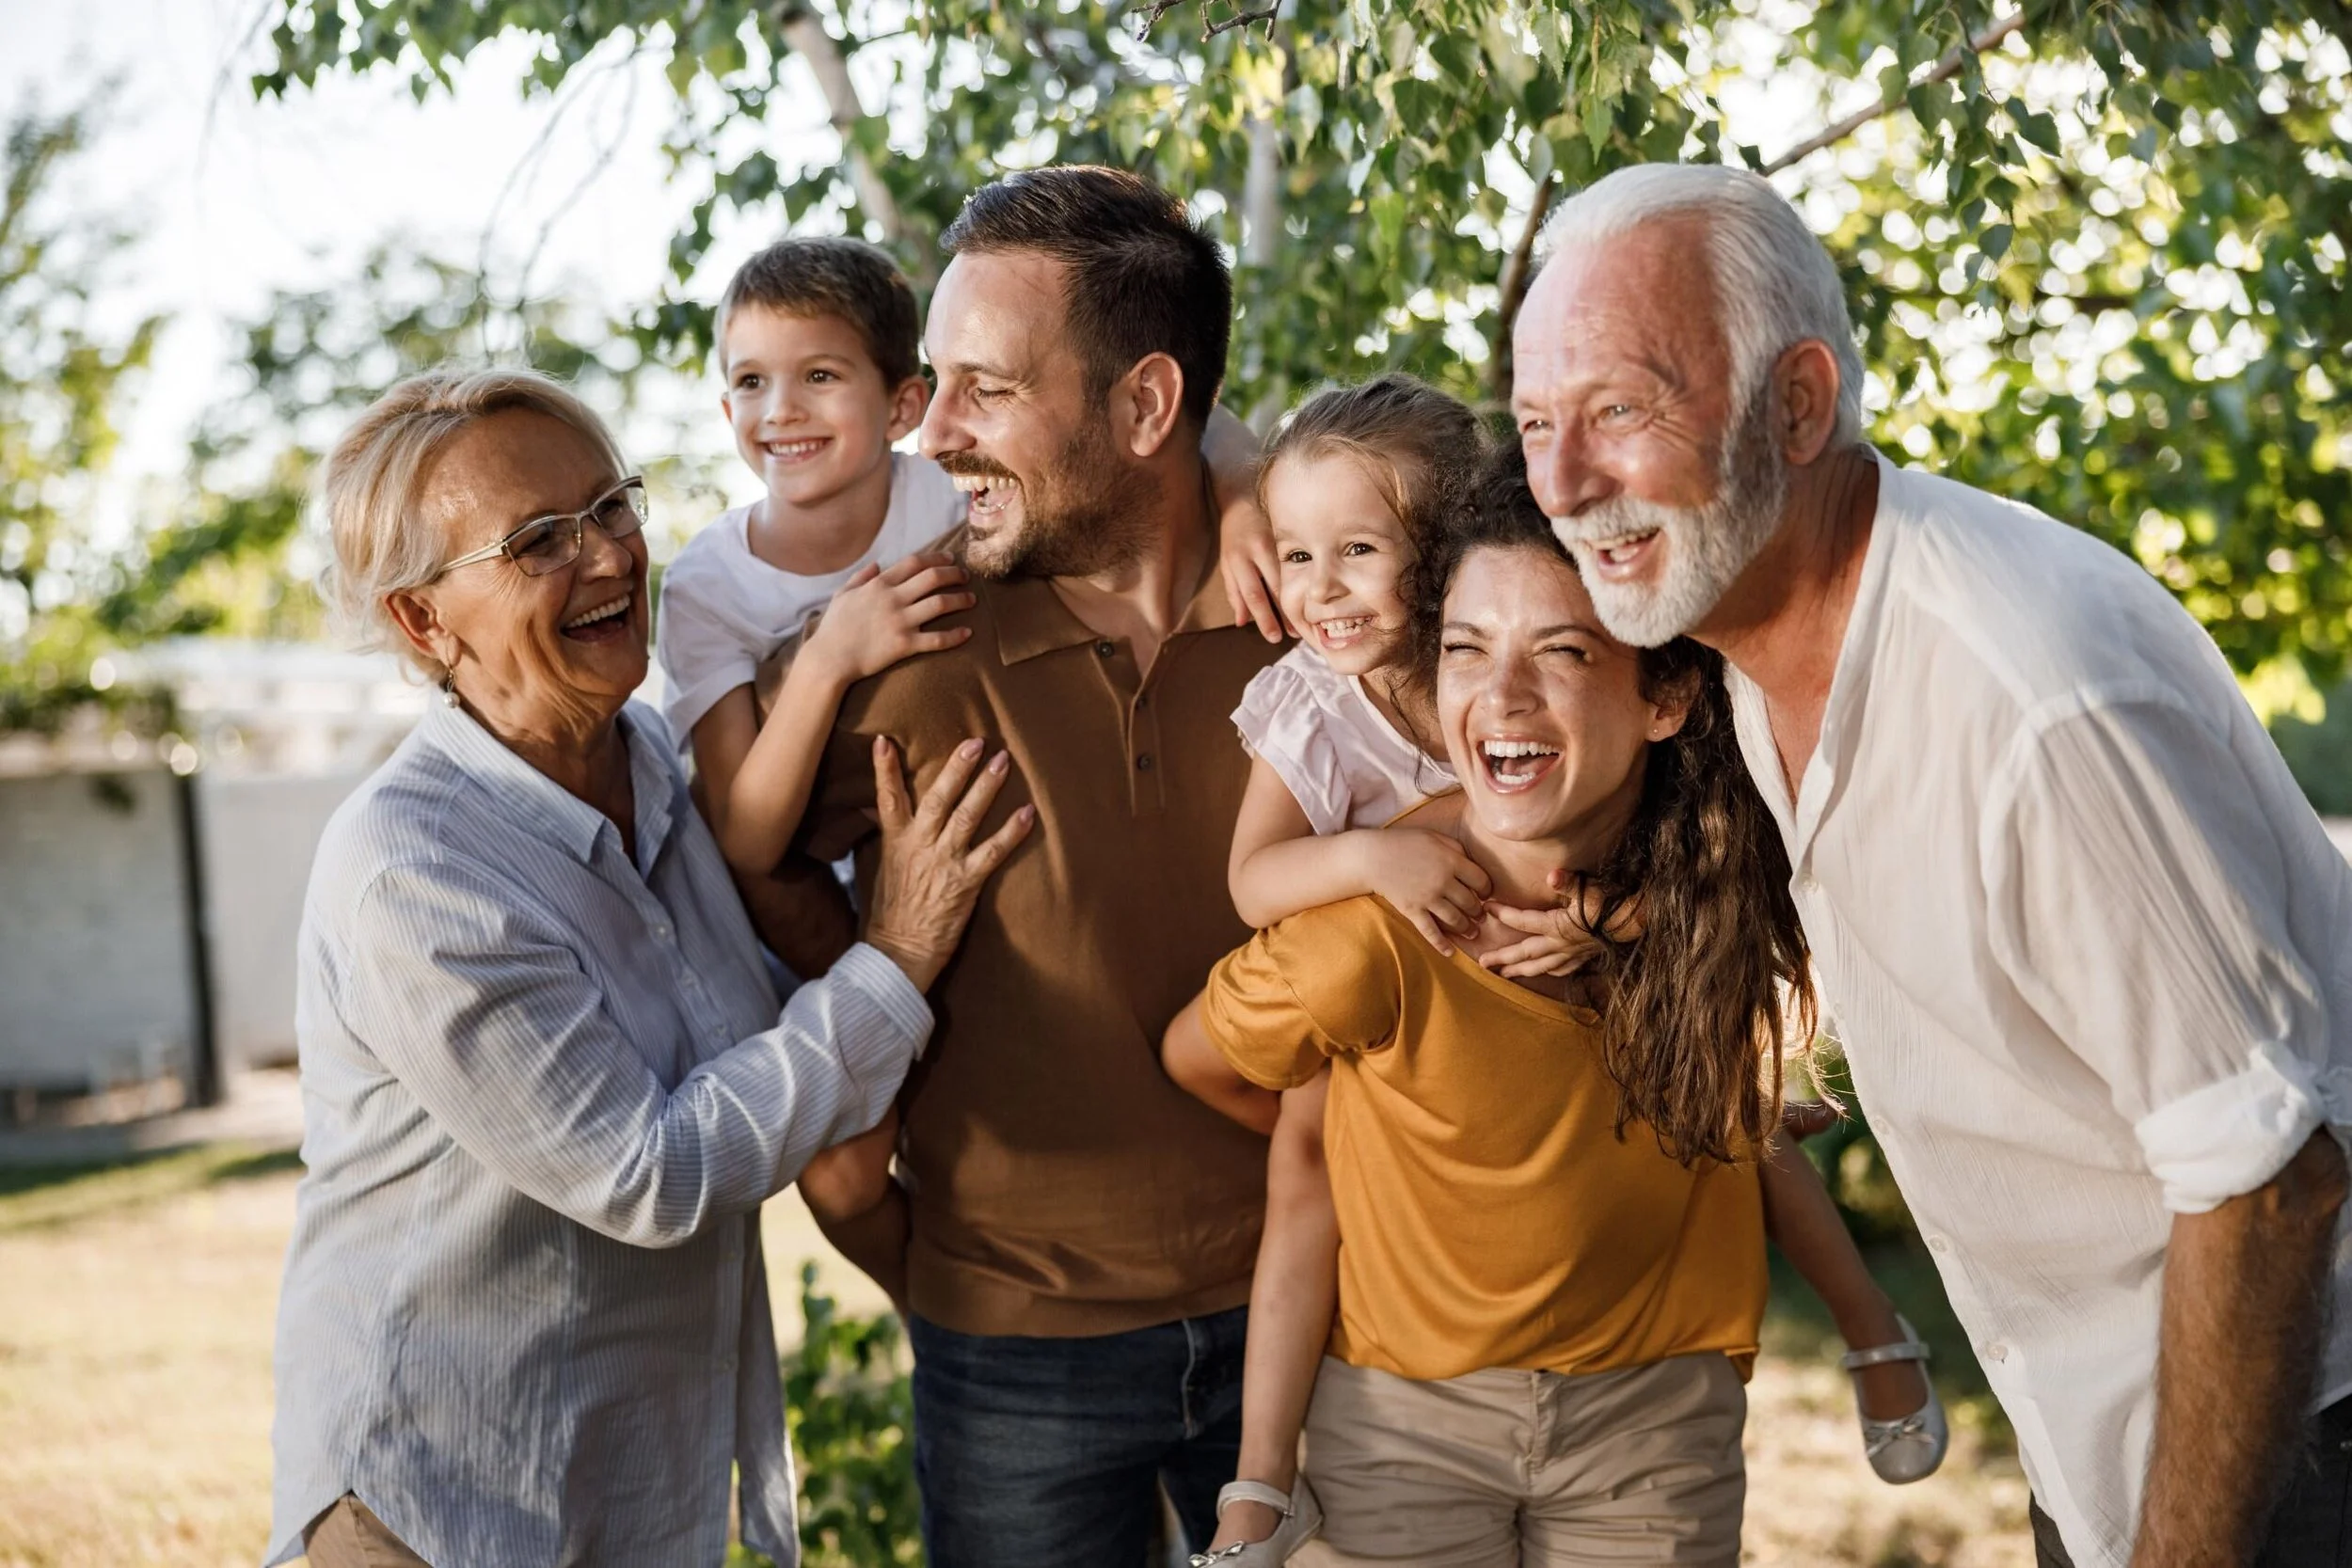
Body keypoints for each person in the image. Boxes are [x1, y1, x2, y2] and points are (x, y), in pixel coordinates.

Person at [1513, 161, 2352, 1568]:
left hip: (2293, 1438)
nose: (1564, 483)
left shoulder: (2032, 700)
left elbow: (2271, 1176)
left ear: (1797, 402)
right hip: (2103, 1430)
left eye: (1621, 408)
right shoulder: (1749, 648)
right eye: (1538, 423)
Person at [269, 366, 1029, 1568]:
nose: (612, 558)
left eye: (610, 506)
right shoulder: (412, 867)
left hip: (630, 1491)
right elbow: (649, 1169)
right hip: (434, 1506)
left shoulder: (663, 770)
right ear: (424, 623)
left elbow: (784, 1031)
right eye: (537, 542)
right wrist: (903, 944)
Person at [1171, 444, 1945, 1564]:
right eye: (1466, 650)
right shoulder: (1369, 930)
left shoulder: (1704, 899)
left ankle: (1880, 1337)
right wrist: (1366, 1149)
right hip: (1401, 1422)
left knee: (1741, 1122)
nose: (1501, 696)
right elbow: (1201, 1056)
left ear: (1667, 694)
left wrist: (1624, 924)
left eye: (1564, 649)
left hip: (1654, 1417)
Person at [742, 166, 1285, 1563]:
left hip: (1314, 1302)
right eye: (931, 382)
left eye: (984, 387)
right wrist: (884, 983)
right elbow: (756, 865)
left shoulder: (1313, 620)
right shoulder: (908, 644)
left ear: (1150, 407)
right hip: (1012, 1347)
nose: (932, 432)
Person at [657, 237, 1273, 1280]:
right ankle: (928, 1306)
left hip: (911, 856)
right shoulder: (710, 585)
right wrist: (826, 660)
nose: (782, 410)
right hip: (793, 900)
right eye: (750, 382)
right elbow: (750, 837)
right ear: (724, 411)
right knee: (844, 1175)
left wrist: (1251, 495)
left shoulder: (946, 497)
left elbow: (1193, 430)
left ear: (898, 407)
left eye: (818, 376)